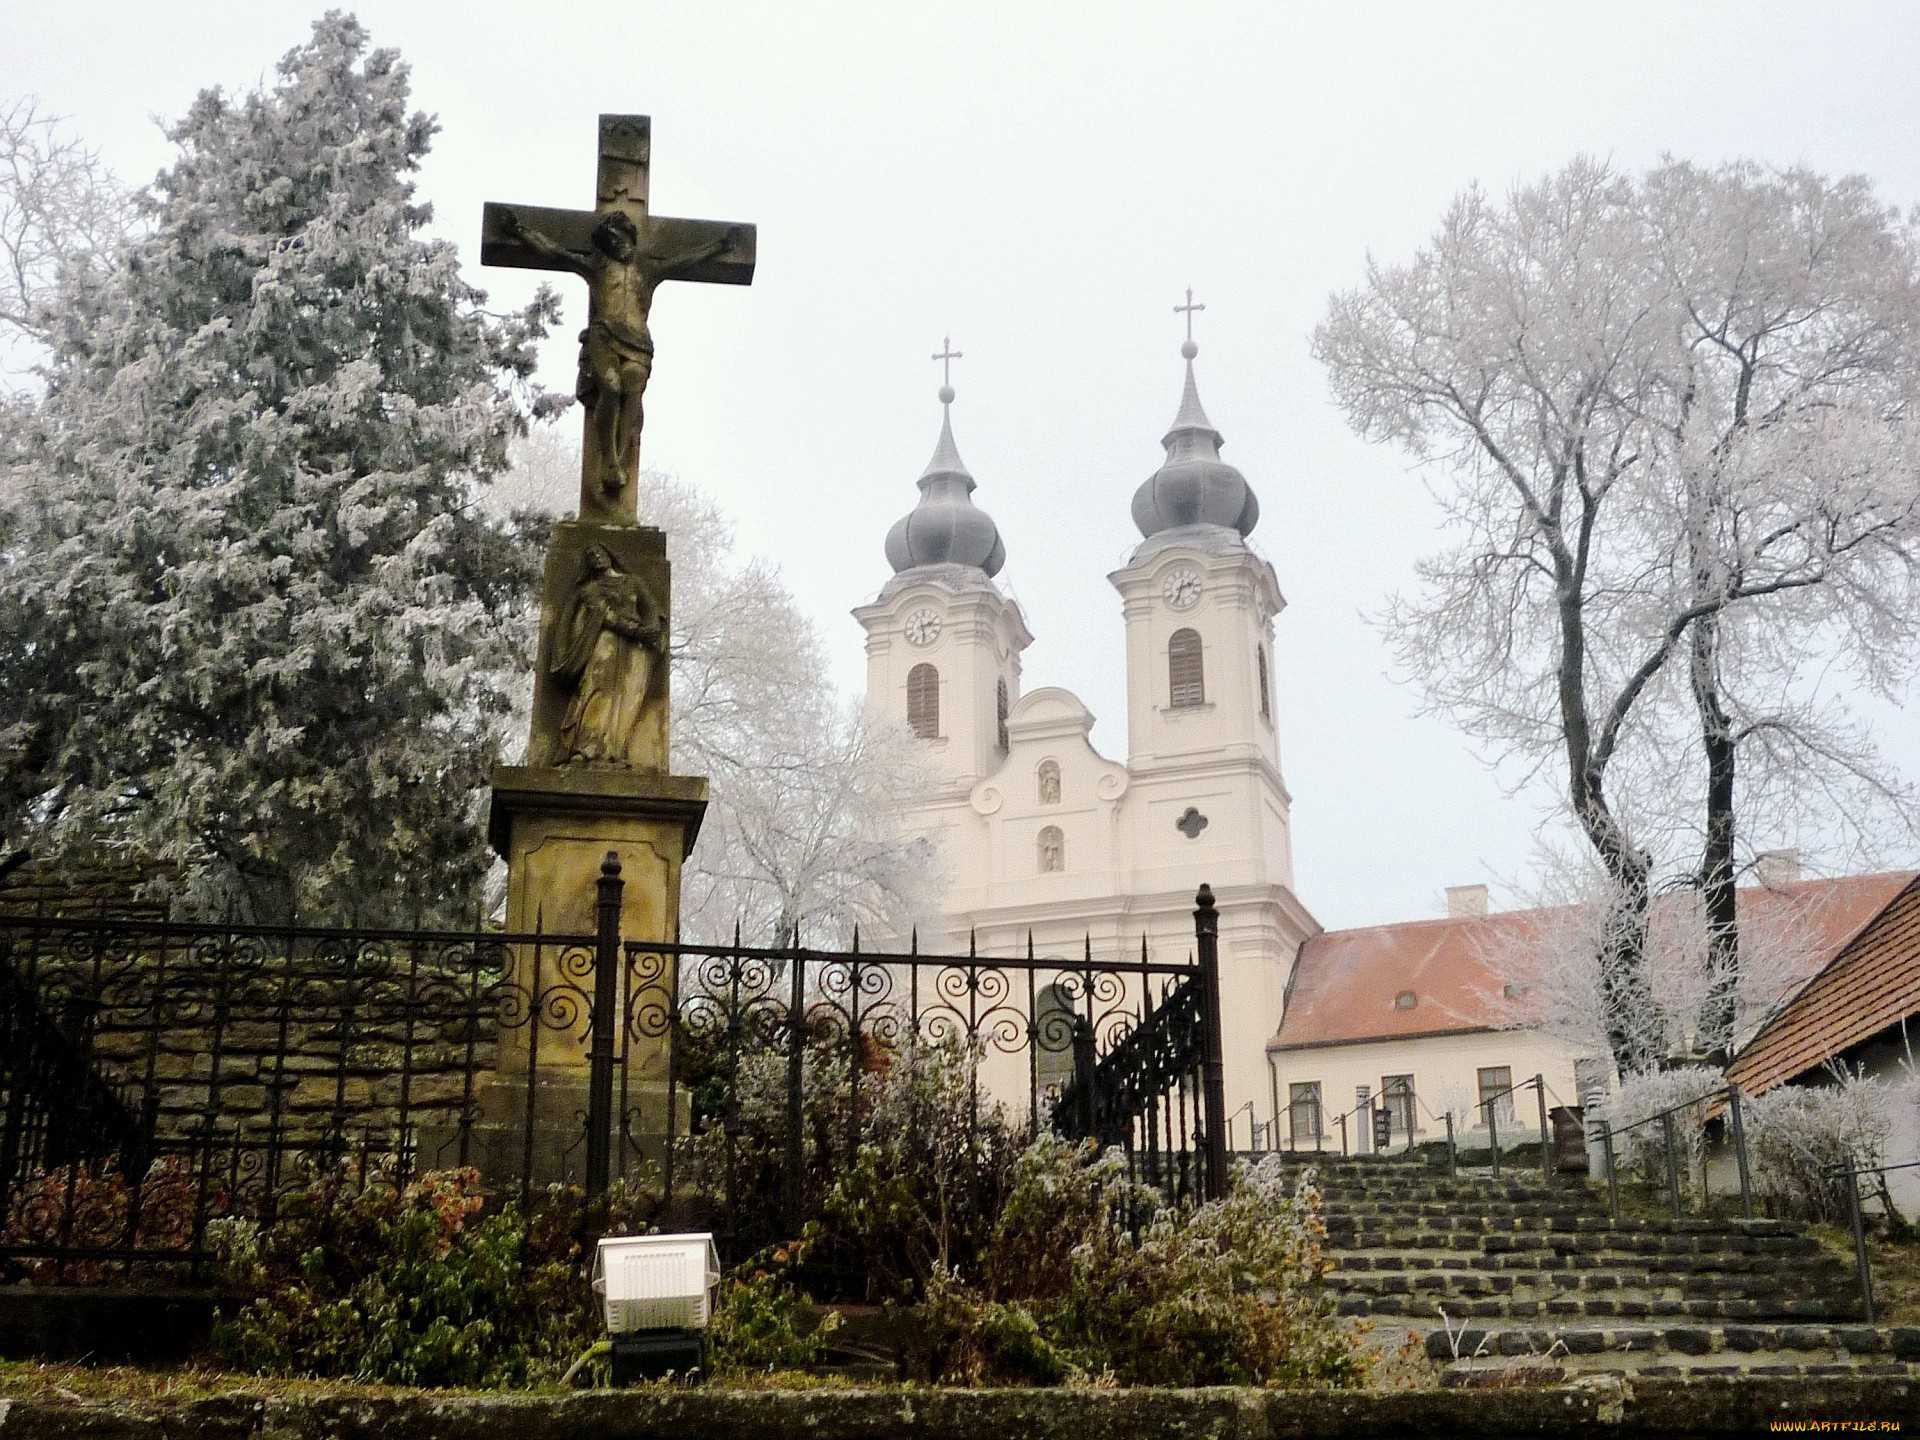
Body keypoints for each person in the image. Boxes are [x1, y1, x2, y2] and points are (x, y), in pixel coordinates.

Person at [499, 207, 737, 497]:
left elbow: (685, 260)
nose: (618, 246)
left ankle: (620, 460)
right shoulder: (598, 268)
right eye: (611, 242)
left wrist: (719, 246)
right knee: (611, 388)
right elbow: (556, 253)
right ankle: (609, 459)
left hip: (638, 343)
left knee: (632, 388)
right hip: (604, 336)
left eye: (620, 239)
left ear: (630, 238)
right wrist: (519, 231)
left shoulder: (647, 269)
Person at [550, 545, 665, 767]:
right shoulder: (590, 589)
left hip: (636, 650)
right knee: (596, 689)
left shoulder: (633, 582)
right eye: (590, 556)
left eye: (599, 553)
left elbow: (650, 608)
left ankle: (615, 750)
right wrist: (636, 630)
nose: (596, 557)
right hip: (606, 642)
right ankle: (585, 747)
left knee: (629, 695)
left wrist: (652, 628)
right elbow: (605, 615)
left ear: (610, 555)